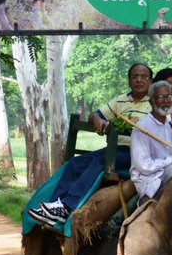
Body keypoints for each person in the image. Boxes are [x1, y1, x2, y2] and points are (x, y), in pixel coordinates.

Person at [28, 63, 154, 226]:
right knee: (75, 162)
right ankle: (53, 207)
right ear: (129, 80)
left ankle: (67, 206)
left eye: (144, 77)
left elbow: (162, 127)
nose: (139, 80)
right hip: (115, 149)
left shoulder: (155, 103)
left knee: (99, 162)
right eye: (135, 77)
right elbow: (95, 114)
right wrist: (98, 120)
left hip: (138, 152)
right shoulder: (121, 100)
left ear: (151, 81)